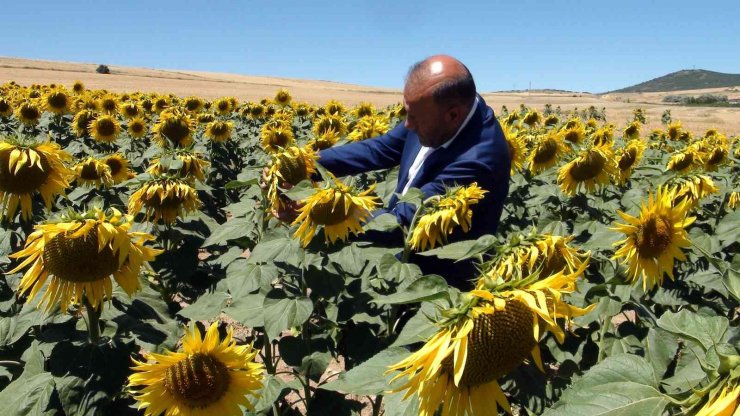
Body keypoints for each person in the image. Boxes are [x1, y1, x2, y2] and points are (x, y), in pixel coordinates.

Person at [288, 55, 510, 288]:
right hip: (400, 260)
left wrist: (318, 211)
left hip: (433, 286)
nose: (407, 126)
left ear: (453, 115)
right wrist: (304, 165)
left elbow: (404, 222)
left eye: (414, 118)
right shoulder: (437, 111)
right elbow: (379, 149)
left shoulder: (479, 160)